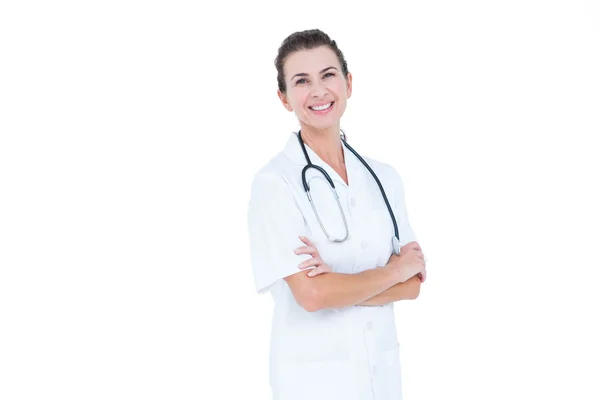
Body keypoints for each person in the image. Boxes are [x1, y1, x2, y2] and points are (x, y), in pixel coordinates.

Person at [246, 29, 427, 400]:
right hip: (314, 384)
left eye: (328, 75)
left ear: (348, 82)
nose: (318, 91)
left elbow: (413, 286)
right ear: (284, 98)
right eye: (301, 81)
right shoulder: (275, 184)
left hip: (381, 379)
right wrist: (392, 271)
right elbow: (311, 294)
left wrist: (338, 287)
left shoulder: (383, 178)